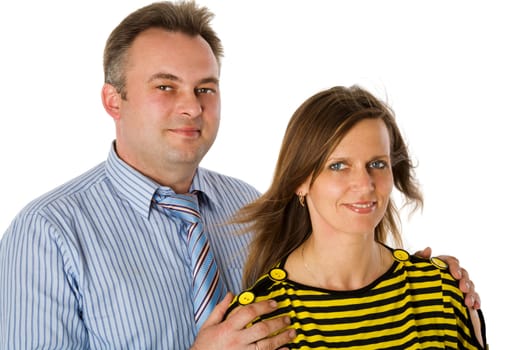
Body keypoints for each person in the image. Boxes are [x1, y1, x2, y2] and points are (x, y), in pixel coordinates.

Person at [0, 1, 479, 349]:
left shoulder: (247, 207)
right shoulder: (47, 234)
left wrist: (425, 279)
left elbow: (335, 274)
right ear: (113, 100)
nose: (191, 106)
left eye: (205, 88)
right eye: (165, 87)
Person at [227, 85, 487, 349]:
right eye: (338, 166)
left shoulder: (440, 291)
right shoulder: (257, 324)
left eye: (377, 164)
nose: (364, 184)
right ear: (301, 181)